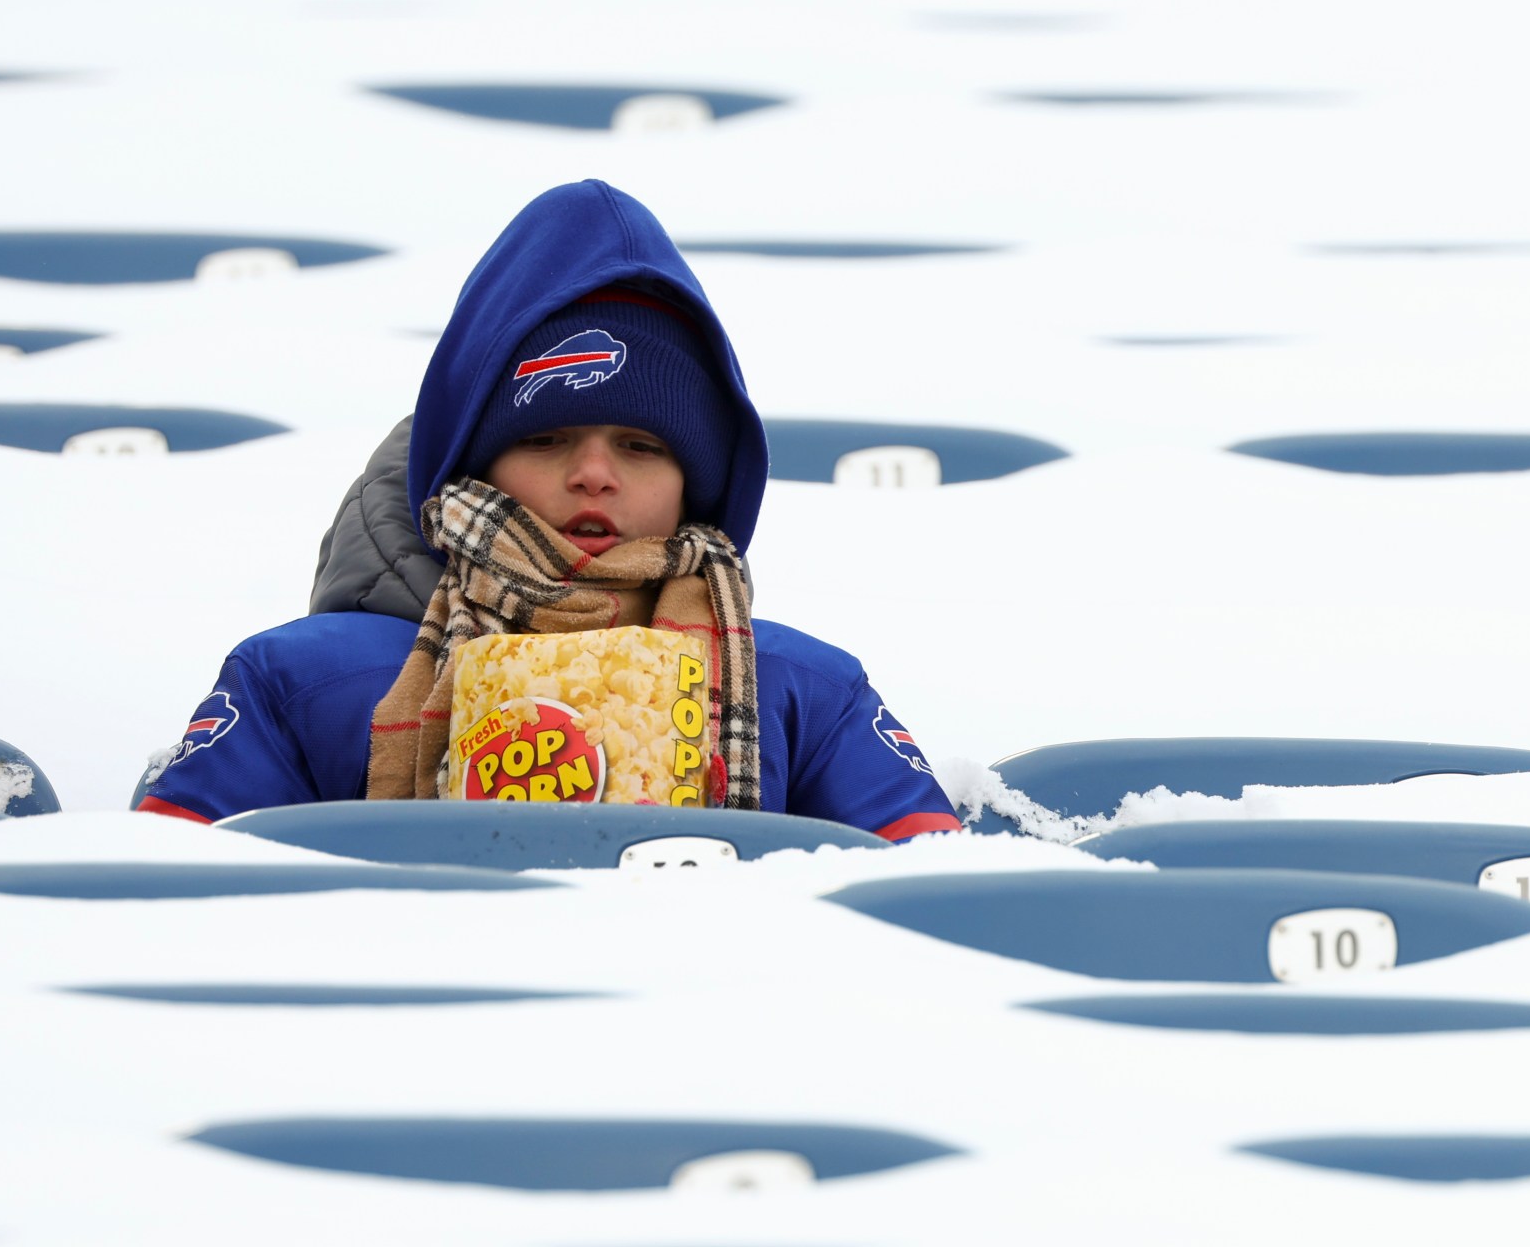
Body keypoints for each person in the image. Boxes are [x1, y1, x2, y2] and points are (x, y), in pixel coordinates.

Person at [136, 180, 962, 841]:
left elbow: (932, 914)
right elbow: (161, 912)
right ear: (474, 460)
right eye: (548, 439)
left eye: (642, 446)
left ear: (695, 485)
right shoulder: (306, 681)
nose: (595, 474)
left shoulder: (801, 691)